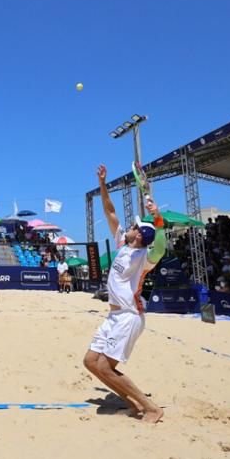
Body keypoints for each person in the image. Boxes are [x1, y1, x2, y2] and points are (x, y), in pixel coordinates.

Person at [83, 164, 166, 424]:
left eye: (134, 226)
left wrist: (159, 218)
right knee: (90, 361)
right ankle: (129, 402)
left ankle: (150, 407)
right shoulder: (122, 243)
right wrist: (103, 183)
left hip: (129, 316)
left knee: (105, 367)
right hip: (114, 316)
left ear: (140, 235)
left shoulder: (143, 257)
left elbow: (160, 248)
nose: (129, 225)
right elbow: (109, 210)